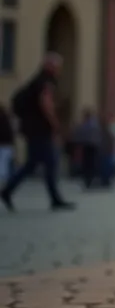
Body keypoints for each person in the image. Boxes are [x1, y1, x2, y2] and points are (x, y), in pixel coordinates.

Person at [1, 53, 75, 212]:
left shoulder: (37, 80)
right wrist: (55, 124)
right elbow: (45, 103)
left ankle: (7, 191)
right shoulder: (45, 81)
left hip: (32, 129)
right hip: (40, 130)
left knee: (32, 164)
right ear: (50, 66)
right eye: (57, 66)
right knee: (50, 162)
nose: (59, 70)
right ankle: (54, 199)